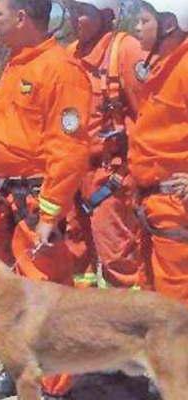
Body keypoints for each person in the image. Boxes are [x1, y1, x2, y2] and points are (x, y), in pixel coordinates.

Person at [0, 0, 92, 399]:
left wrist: (50, 212)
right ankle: (17, 371)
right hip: (4, 195)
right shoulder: (17, 62)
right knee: (8, 294)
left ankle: (55, 389)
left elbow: (69, 148)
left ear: (22, 17)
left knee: (45, 296)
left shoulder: (60, 69)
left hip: (36, 200)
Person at [64, 0, 149, 290]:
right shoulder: (69, 54)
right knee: (75, 255)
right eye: (72, 11)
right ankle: (86, 323)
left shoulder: (125, 51)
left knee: (118, 258)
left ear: (105, 14)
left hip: (110, 176)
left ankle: (131, 326)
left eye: (82, 13)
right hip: (73, 172)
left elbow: (148, 117)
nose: (75, 19)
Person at [130, 0, 188, 305]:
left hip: (175, 203)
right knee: (153, 299)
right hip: (151, 200)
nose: (136, 28)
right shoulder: (161, 67)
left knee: (175, 302)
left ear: (168, 25)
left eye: (143, 21)